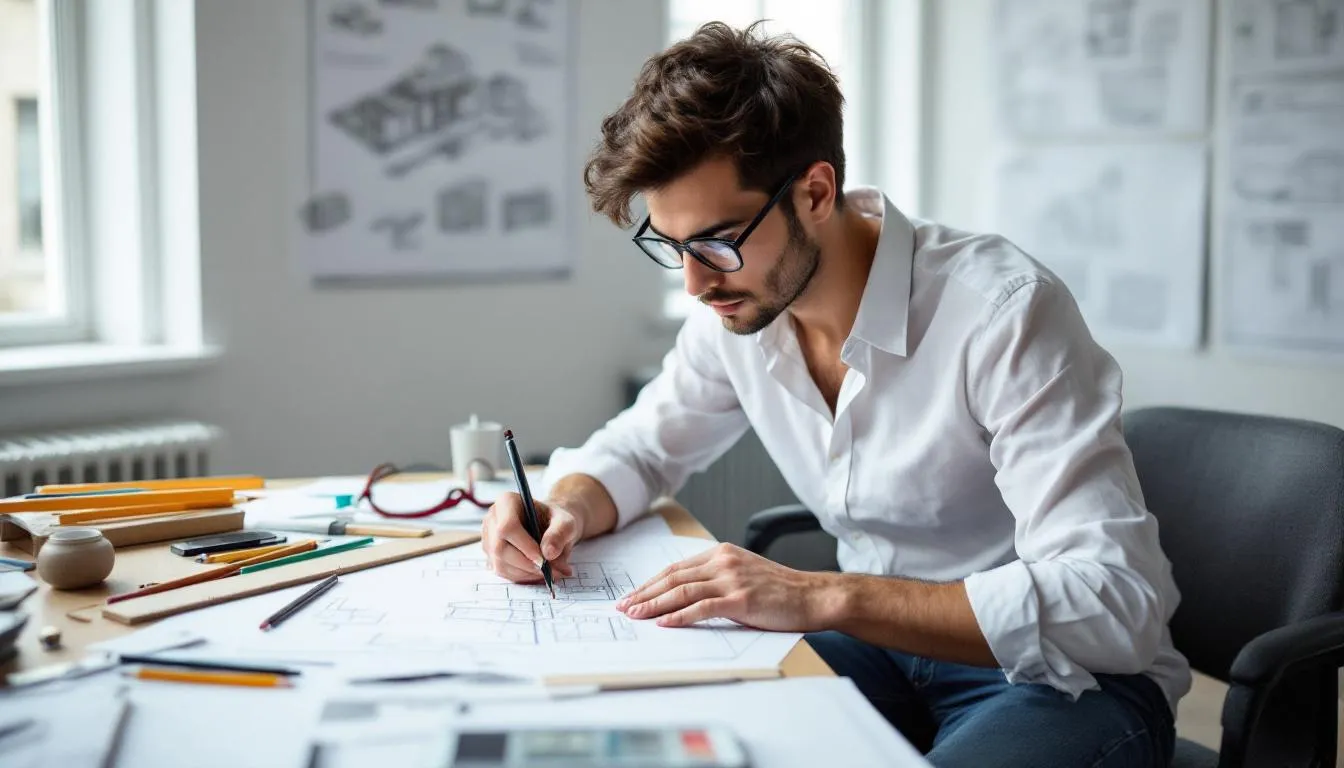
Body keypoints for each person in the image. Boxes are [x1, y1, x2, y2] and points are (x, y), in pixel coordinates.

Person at [481, 21, 1190, 768]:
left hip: (1058, 680)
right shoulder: (743, 312)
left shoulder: (1002, 313)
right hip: (879, 653)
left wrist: (826, 596)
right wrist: (565, 504)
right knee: (672, 737)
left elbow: (1114, 602)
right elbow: (643, 445)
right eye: (672, 246)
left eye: (717, 241)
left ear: (815, 192)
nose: (695, 283)